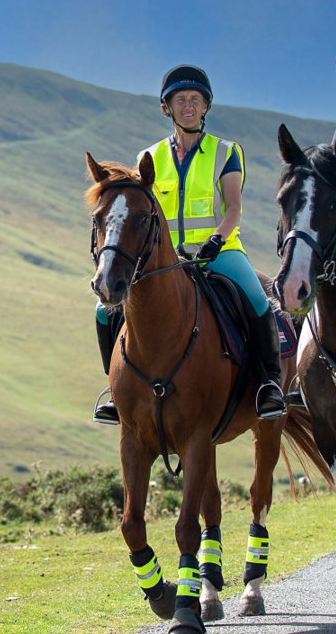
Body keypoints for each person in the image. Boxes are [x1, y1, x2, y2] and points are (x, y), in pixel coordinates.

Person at [92, 65, 288, 424]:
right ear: (167, 108)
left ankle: (269, 385)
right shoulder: (148, 157)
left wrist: (217, 241)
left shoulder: (226, 152)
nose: (188, 106)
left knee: (258, 300)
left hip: (219, 251)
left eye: (195, 100)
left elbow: (233, 207)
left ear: (205, 106)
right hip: (162, 259)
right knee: (104, 311)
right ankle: (116, 392)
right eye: (179, 100)